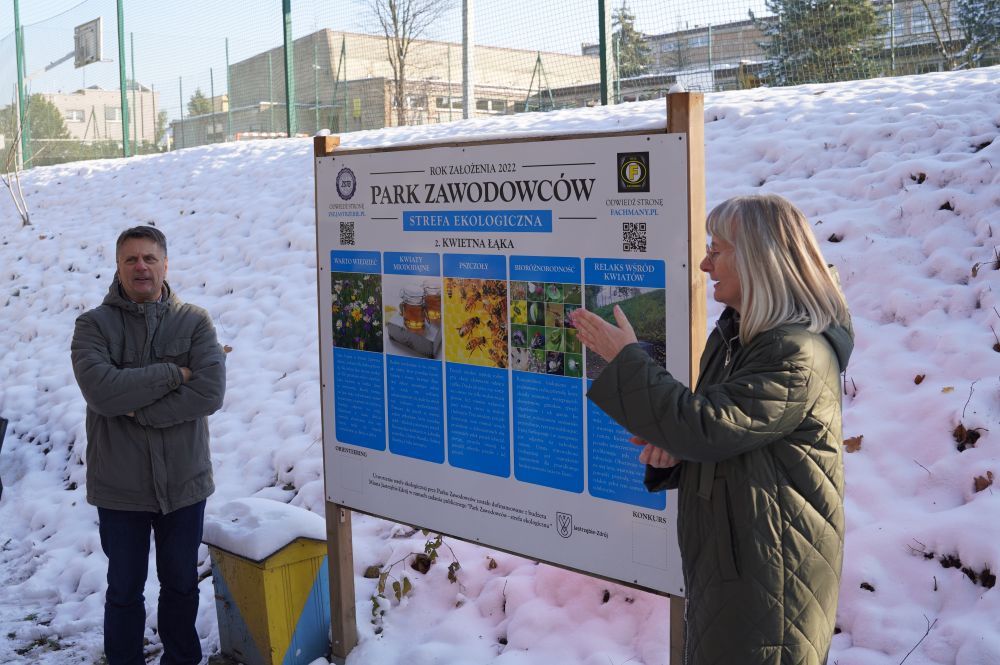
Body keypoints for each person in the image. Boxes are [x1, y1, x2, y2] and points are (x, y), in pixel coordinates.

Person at [572, 194, 853, 665]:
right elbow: (723, 430)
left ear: (760, 259)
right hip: (734, 564)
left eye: (716, 249)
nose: (704, 264)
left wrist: (626, 359)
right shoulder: (740, 339)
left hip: (771, 581)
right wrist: (679, 449)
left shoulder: (795, 352)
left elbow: (704, 425)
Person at [71, 226, 226, 665]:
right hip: (120, 487)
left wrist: (140, 411)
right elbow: (102, 392)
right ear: (118, 268)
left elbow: (210, 393)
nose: (141, 267)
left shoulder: (195, 322)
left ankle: (181, 660)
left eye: (149, 258)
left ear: (165, 265)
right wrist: (174, 374)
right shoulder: (92, 326)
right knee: (124, 589)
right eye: (131, 259)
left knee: (180, 585)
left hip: (184, 483)